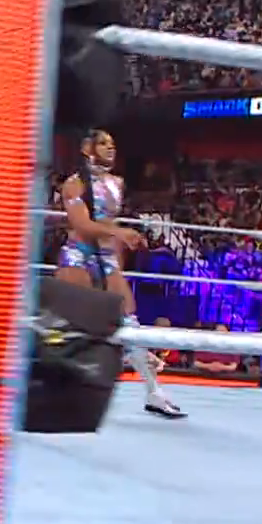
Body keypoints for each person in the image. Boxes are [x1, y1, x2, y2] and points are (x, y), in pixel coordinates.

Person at [55, 129, 186, 419]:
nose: (110, 148)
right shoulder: (74, 184)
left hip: (106, 258)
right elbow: (82, 225)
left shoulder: (117, 183)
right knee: (71, 324)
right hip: (78, 255)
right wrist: (120, 233)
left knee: (129, 321)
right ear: (87, 148)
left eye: (112, 144)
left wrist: (120, 248)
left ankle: (153, 391)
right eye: (103, 143)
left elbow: (107, 226)